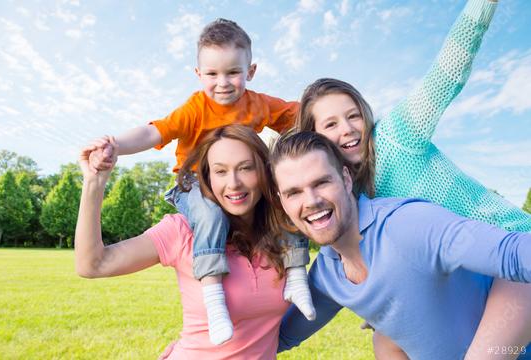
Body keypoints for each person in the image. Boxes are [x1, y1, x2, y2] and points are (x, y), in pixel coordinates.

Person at [295, 0, 531, 357]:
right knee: (385, 342)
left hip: (511, 254)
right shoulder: (346, 198)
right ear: (315, 139)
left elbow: (448, 69)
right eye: (331, 124)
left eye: (353, 115)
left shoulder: (397, 135)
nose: (348, 129)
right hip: (468, 286)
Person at [83, 18, 314, 344]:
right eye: (212, 74)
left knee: (283, 193)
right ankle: (214, 298)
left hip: (243, 179)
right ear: (198, 74)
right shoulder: (195, 108)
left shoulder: (259, 103)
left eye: (233, 72)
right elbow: (154, 131)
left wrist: (340, 123)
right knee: (209, 214)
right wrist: (116, 145)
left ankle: (296, 275)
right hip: (192, 183)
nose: (223, 83)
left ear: (251, 71)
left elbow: (304, 114)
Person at [271, 131, 531, 359]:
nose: (312, 200)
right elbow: (278, 339)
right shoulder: (327, 275)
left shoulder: (405, 225)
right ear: (282, 202)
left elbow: (513, 253)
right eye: (294, 192)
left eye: (321, 182)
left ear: (346, 179)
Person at [76, 125, 297, 359]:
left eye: (245, 168)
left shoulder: (286, 236)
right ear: (207, 177)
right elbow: (93, 264)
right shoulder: (181, 231)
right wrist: (94, 182)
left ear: (265, 170)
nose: (233, 183)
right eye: (220, 171)